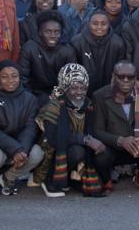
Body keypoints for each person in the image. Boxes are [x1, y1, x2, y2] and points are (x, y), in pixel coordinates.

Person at [89, 60, 139, 193]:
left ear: (135, 78)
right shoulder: (100, 96)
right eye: (121, 77)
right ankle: (106, 180)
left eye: (130, 77)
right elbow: (97, 131)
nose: (126, 80)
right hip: (116, 148)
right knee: (100, 155)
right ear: (113, 76)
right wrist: (120, 140)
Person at [34, 63, 106, 197]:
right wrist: (85, 140)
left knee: (96, 152)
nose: (79, 92)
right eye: (74, 88)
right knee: (77, 151)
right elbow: (54, 138)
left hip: (74, 147)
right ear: (65, 88)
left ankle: (69, 178)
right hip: (51, 152)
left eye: (83, 88)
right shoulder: (54, 106)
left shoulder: (88, 105)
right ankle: (49, 179)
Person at [0, 61, 44, 195]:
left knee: (37, 153)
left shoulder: (30, 99)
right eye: (5, 77)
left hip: (18, 146)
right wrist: (14, 148)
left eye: (14, 76)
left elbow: (31, 128)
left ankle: (9, 177)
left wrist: (22, 151)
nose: (10, 80)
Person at [72, 9, 130, 93]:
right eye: (95, 24)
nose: (99, 27)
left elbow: (120, 70)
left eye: (103, 24)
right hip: (82, 91)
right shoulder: (76, 42)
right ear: (88, 24)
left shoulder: (118, 42)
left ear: (109, 24)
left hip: (109, 91)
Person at [19, 10, 77, 96]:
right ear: (40, 32)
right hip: (35, 94)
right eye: (48, 31)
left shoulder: (68, 50)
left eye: (56, 32)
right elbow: (23, 79)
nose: (53, 35)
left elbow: (72, 79)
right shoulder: (29, 48)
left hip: (59, 95)